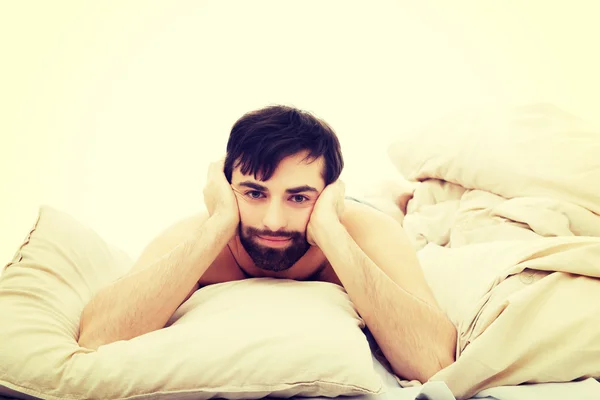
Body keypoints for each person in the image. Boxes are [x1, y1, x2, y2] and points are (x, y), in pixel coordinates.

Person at [78, 105, 457, 383]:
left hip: (365, 211)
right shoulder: (198, 236)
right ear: (227, 190)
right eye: (254, 193)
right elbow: (98, 338)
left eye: (298, 197)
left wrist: (331, 232)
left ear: (328, 196)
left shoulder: (363, 230)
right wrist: (221, 223)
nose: (273, 221)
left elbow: (436, 363)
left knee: (401, 208)